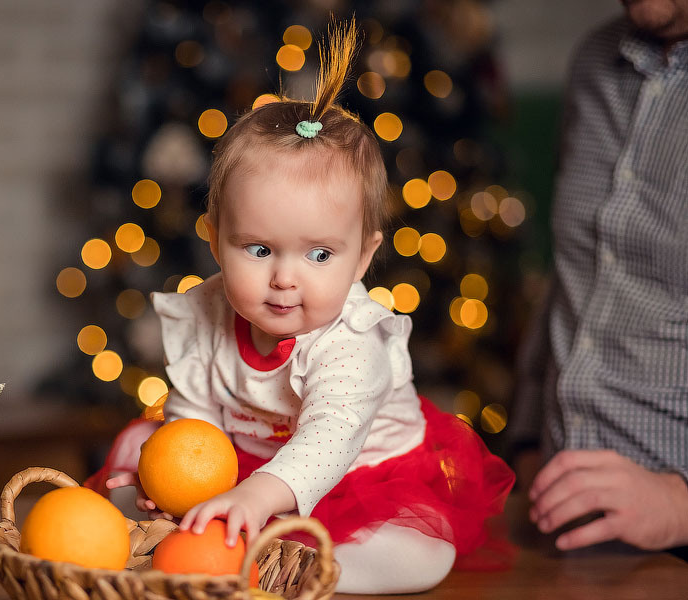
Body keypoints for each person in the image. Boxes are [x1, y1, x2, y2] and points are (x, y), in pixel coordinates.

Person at [100, 21, 515, 594]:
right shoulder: (206, 313)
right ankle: (221, 539)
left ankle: (291, 561)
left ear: (362, 257)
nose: (284, 279)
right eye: (259, 249)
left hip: (356, 474)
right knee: (137, 451)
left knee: (423, 554)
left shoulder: (354, 340)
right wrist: (177, 487)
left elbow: (328, 441)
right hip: (246, 464)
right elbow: (195, 423)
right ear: (216, 239)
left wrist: (256, 497)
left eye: (319, 254)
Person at [509, 0, 688, 557]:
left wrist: (679, 507)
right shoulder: (595, 60)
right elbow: (575, 269)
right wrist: (528, 437)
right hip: (554, 519)